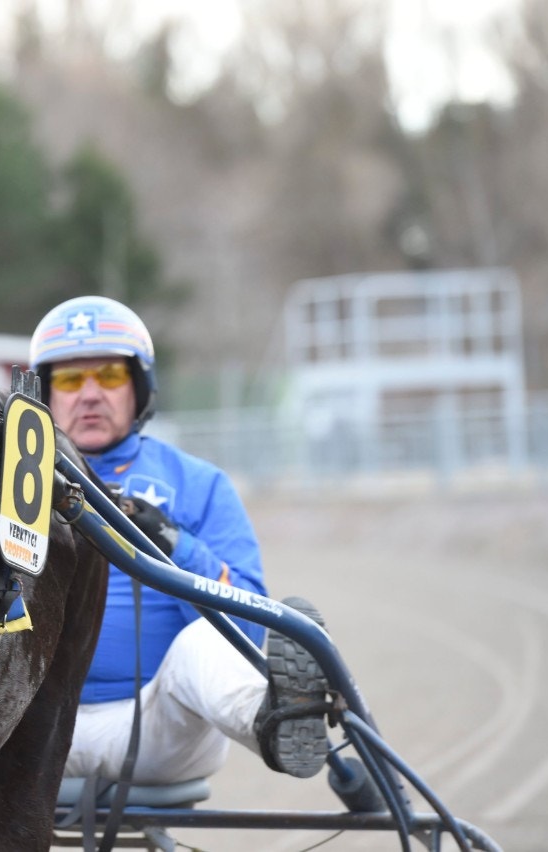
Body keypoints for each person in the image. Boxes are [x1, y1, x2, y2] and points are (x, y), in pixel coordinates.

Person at [29, 295, 329, 785]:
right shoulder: (3, 485)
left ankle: (276, 722)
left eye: (107, 376)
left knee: (199, 645)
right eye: (68, 379)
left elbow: (247, 631)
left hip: (155, 729)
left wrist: (176, 544)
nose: (88, 394)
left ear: (138, 386)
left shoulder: (199, 484)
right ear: (45, 393)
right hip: (24, 735)